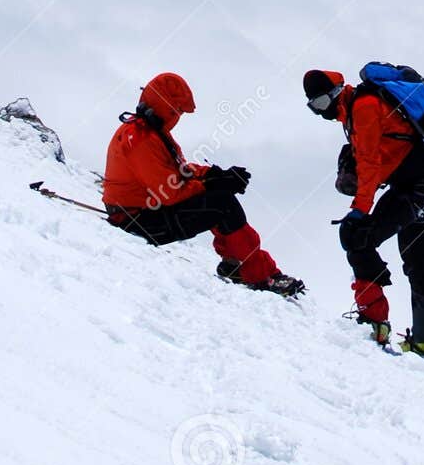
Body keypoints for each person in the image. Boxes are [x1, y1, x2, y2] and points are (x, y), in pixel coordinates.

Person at [104, 72, 304, 298]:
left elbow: (178, 170)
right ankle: (259, 276)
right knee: (221, 203)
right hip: (137, 222)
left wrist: (214, 174)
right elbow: (170, 192)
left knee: (219, 199)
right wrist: (211, 184)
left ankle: (238, 264)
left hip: (140, 214)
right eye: (177, 111)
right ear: (166, 108)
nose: (178, 116)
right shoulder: (142, 139)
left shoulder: (149, 132)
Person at [303, 67, 424, 359]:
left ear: (335, 93)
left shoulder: (365, 107)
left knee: (356, 236)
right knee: (419, 261)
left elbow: (369, 163)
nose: (320, 113)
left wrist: (359, 210)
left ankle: (374, 322)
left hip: (417, 189)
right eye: (312, 107)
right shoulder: (355, 113)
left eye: (320, 104)